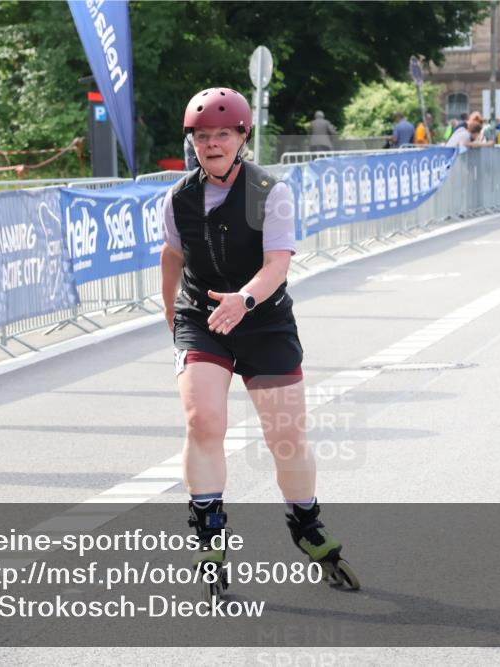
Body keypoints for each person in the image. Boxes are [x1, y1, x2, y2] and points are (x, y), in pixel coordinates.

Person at [160, 87, 359, 598]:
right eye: (202, 137)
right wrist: (172, 316)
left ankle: (306, 523)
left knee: (285, 436)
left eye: (222, 135)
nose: (212, 144)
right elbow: (172, 256)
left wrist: (243, 300)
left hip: (263, 318)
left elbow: (277, 265)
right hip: (203, 317)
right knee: (203, 421)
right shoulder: (178, 198)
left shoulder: (270, 192)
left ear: (242, 137)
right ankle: (209, 531)